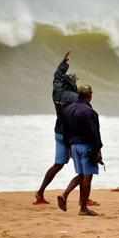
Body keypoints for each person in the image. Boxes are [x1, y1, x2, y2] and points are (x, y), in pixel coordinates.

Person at [34, 51, 80, 204]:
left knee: (58, 164)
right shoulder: (76, 98)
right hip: (72, 136)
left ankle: (40, 193)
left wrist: (64, 63)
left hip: (59, 133)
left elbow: (57, 77)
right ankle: (84, 198)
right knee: (84, 166)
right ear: (72, 85)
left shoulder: (57, 93)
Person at [58, 85, 104, 216]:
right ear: (90, 95)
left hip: (73, 146)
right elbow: (95, 134)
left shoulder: (67, 109)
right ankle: (83, 208)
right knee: (87, 178)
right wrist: (98, 151)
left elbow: (64, 131)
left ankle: (64, 194)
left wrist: (68, 147)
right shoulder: (90, 112)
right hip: (86, 146)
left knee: (81, 175)